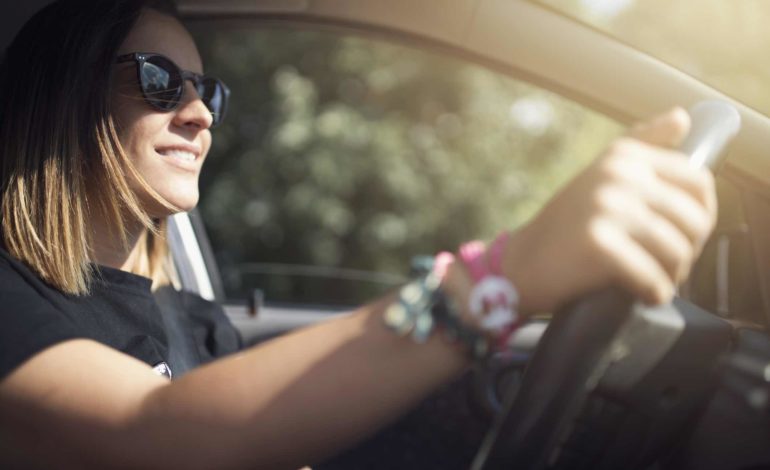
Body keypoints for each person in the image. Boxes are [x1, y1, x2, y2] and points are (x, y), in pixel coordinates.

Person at [0, 0, 716, 468]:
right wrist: (501, 276)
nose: (200, 114)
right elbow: (158, 435)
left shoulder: (189, 317)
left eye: (206, 89)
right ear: (63, 96)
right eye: (160, 81)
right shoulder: (11, 302)